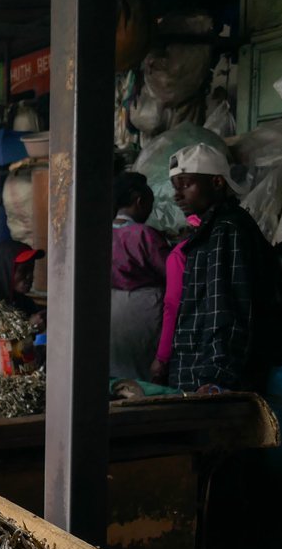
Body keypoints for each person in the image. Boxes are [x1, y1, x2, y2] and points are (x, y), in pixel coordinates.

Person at [169, 143, 273, 392]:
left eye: (186, 185)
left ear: (217, 183)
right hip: (199, 372)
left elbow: (225, 308)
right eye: (175, 187)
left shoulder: (225, 229)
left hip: (208, 381)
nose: (177, 195)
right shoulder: (215, 227)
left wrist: (215, 378)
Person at [109, 172, 171, 381]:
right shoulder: (144, 235)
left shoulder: (99, 233)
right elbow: (171, 274)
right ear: (140, 201)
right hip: (144, 314)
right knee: (143, 379)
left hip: (109, 312)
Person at [151, 214, 203, 385]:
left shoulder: (180, 254)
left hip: (191, 348)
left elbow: (172, 306)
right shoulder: (222, 247)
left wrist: (162, 357)